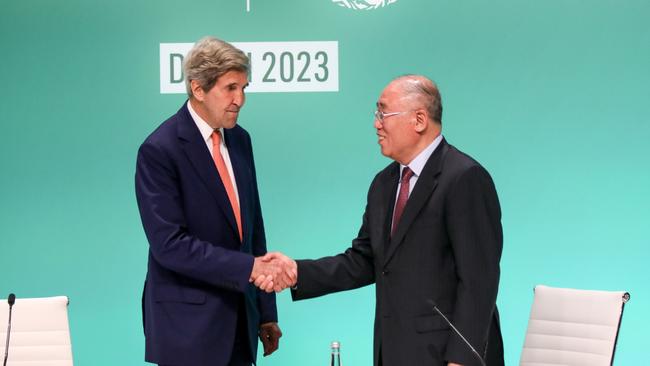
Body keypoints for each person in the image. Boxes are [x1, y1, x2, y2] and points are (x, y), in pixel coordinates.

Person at [260, 75, 504, 366]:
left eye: (383, 113)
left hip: (448, 357)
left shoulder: (464, 178)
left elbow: (479, 281)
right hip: (394, 352)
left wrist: (462, 360)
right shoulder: (384, 183)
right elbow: (363, 261)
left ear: (419, 120)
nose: (377, 123)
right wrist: (296, 272)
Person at [135, 36, 294, 366]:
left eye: (244, 88)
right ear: (197, 88)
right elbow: (170, 245)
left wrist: (265, 311)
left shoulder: (240, 140)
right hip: (187, 331)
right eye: (231, 88)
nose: (241, 99)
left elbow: (253, 231)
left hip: (240, 323)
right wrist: (249, 268)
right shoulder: (160, 150)